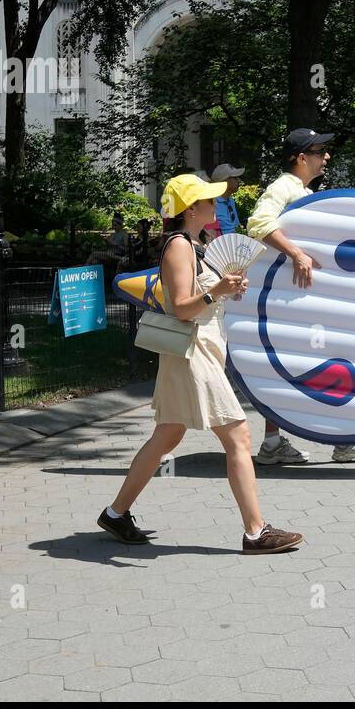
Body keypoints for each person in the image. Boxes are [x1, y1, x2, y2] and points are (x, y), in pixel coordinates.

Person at [98, 173, 303, 554]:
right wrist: (217, 292)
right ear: (192, 208)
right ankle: (256, 532)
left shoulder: (198, 243)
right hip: (191, 354)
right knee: (239, 436)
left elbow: (202, 300)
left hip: (199, 350)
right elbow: (181, 308)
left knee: (167, 435)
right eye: (210, 200)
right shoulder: (180, 246)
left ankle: (115, 513)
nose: (217, 205)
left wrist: (226, 290)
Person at [246, 128, 355, 464]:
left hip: (304, 301)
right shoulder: (284, 187)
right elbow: (257, 223)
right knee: (331, 364)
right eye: (320, 151)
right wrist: (296, 254)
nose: (327, 156)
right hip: (295, 302)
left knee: (301, 368)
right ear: (301, 157)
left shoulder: (302, 190)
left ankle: (273, 443)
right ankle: (342, 441)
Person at [211, 163, 244, 238]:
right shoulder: (212, 203)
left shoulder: (230, 199)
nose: (239, 180)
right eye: (235, 178)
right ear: (224, 181)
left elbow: (236, 226)